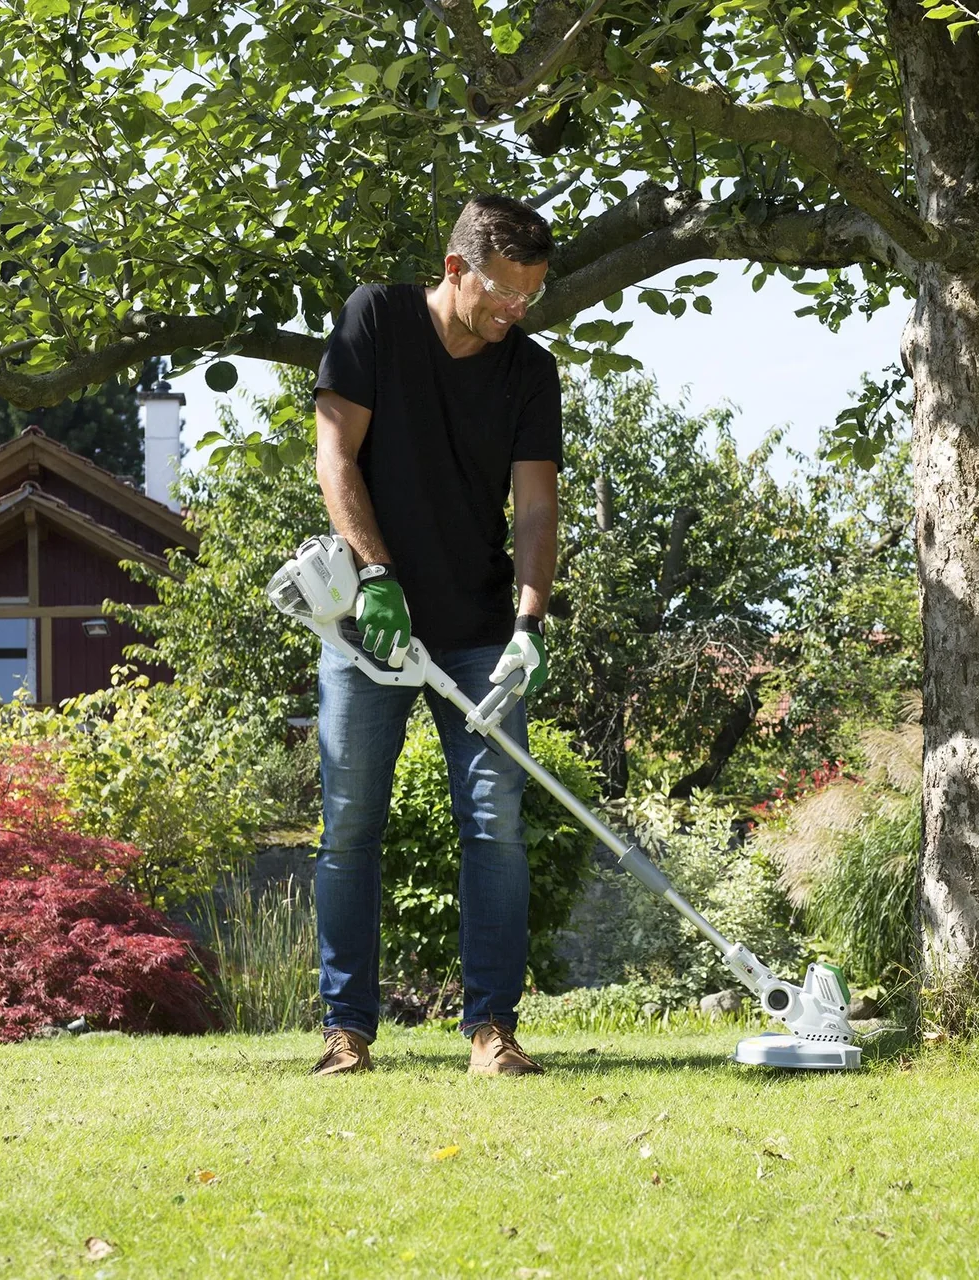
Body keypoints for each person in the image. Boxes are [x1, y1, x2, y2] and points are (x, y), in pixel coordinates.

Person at [307, 195, 561, 1077]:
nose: (514, 312)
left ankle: (492, 1030)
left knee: (495, 827)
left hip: (480, 627)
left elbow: (536, 509)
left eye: (530, 296)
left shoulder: (529, 369)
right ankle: (347, 1031)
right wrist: (376, 575)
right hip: (364, 625)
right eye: (503, 294)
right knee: (349, 825)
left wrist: (529, 622)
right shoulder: (375, 319)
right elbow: (335, 458)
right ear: (457, 270)